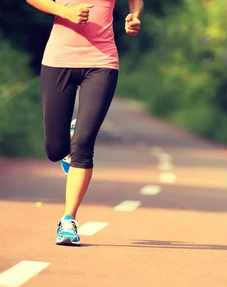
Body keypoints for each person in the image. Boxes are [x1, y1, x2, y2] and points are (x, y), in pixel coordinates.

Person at [25, 0, 143, 246]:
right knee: (55, 150)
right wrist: (64, 11)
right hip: (58, 61)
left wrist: (134, 15)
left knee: (84, 144)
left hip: (102, 62)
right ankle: (68, 141)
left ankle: (68, 220)